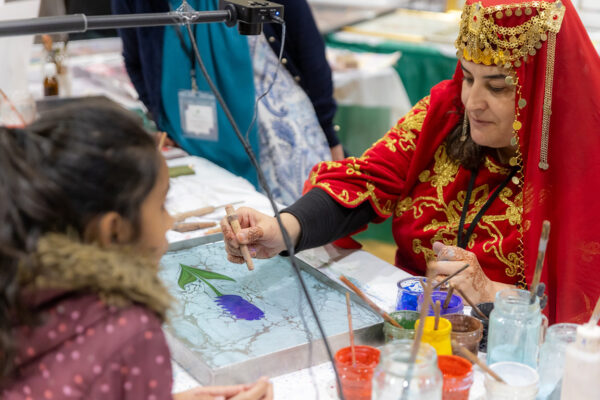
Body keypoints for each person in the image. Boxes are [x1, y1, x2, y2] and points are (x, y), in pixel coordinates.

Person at [221, 0, 600, 324]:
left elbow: (577, 316)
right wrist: (282, 229)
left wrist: (490, 292)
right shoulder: (446, 114)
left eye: (498, 87)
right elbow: (364, 181)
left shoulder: (584, 168)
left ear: (543, 88)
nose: (473, 102)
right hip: (407, 325)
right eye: (467, 77)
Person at [0, 100, 273, 400]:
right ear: (114, 231)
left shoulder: (16, 283)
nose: (170, 219)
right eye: (161, 206)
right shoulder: (130, 333)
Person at [112, 0, 343, 205]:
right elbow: (134, 60)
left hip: (278, 146)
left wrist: (329, 134)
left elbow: (310, 56)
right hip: (192, 146)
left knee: (294, 237)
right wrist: (161, 118)